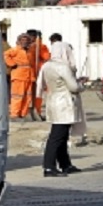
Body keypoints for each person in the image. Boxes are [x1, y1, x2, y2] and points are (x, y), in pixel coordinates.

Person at [37, 42, 83, 177]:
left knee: (62, 135)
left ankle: (65, 164)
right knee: (57, 137)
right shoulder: (63, 67)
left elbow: (42, 83)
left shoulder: (47, 65)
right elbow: (74, 87)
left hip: (53, 100)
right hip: (65, 103)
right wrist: (81, 84)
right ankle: (49, 166)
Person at [4, 34, 36, 120]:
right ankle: (14, 114)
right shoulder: (15, 50)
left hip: (29, 76)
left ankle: (23, 113)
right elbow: (5, 55)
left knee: (27, 96)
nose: (25, 42)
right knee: (17, 96)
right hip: (19, 76)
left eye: (26, 40)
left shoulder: (30, 51)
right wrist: (11, 64)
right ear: (19, 41)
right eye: (23, 40)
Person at [26, 29, 51, 120]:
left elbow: (46, 57)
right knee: (30, 94)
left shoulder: (39, 46)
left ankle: (37, 111)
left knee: (37, 94)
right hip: (29, 74)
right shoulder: (27, 47)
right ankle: (31, 111)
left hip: (36, 73)